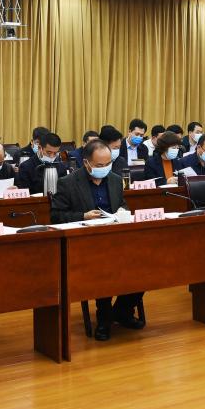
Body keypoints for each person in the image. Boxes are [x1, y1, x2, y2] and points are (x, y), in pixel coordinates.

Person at [50, 140, 142, 341]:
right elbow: (56, 216)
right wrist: (82, 216)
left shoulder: (115, 180)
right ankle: (104, 319)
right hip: (86, 244)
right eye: (100, 165)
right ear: (86, 163)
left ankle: (122, 311)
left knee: (144, 264)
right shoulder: (68, 183)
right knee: (105, 267)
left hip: (116, 239)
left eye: (108, 164)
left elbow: (123, 205)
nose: (105, 168)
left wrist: (122, 213)